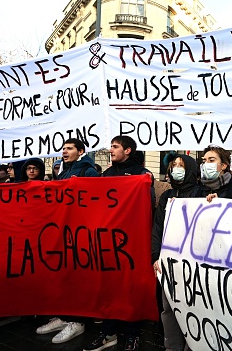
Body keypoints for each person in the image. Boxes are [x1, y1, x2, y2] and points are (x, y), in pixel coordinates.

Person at [84, 135, 153, 351]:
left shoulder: (142, 175)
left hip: (132, 243)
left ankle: (133, 334)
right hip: (108, 242)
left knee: (131, 289)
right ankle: (108, 332)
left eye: (115, 147)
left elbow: (147, 207)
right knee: (110, 289)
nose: (111, 150)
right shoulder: (107, 174)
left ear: (128, 150)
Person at [35, 140, 99, 344]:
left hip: (80, 233)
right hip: (64, 231)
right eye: (63, 148)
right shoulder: (64, 171)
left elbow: (94, 199)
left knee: (78, 278)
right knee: (65, 276)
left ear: (81, 151)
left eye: (69, 148)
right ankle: (65, 316)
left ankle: (78, 321)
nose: (64, 151)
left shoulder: (88, 171)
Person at [152, 153, 202, 351]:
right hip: (169, 263)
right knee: (169, 309)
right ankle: (171, 347)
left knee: (194, 308)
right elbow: (157, 229)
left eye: (181, 165)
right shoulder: (167, 196)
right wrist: (155, 257)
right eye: (173, 166)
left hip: (192, 264)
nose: (176, 169)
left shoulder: (200, 193)